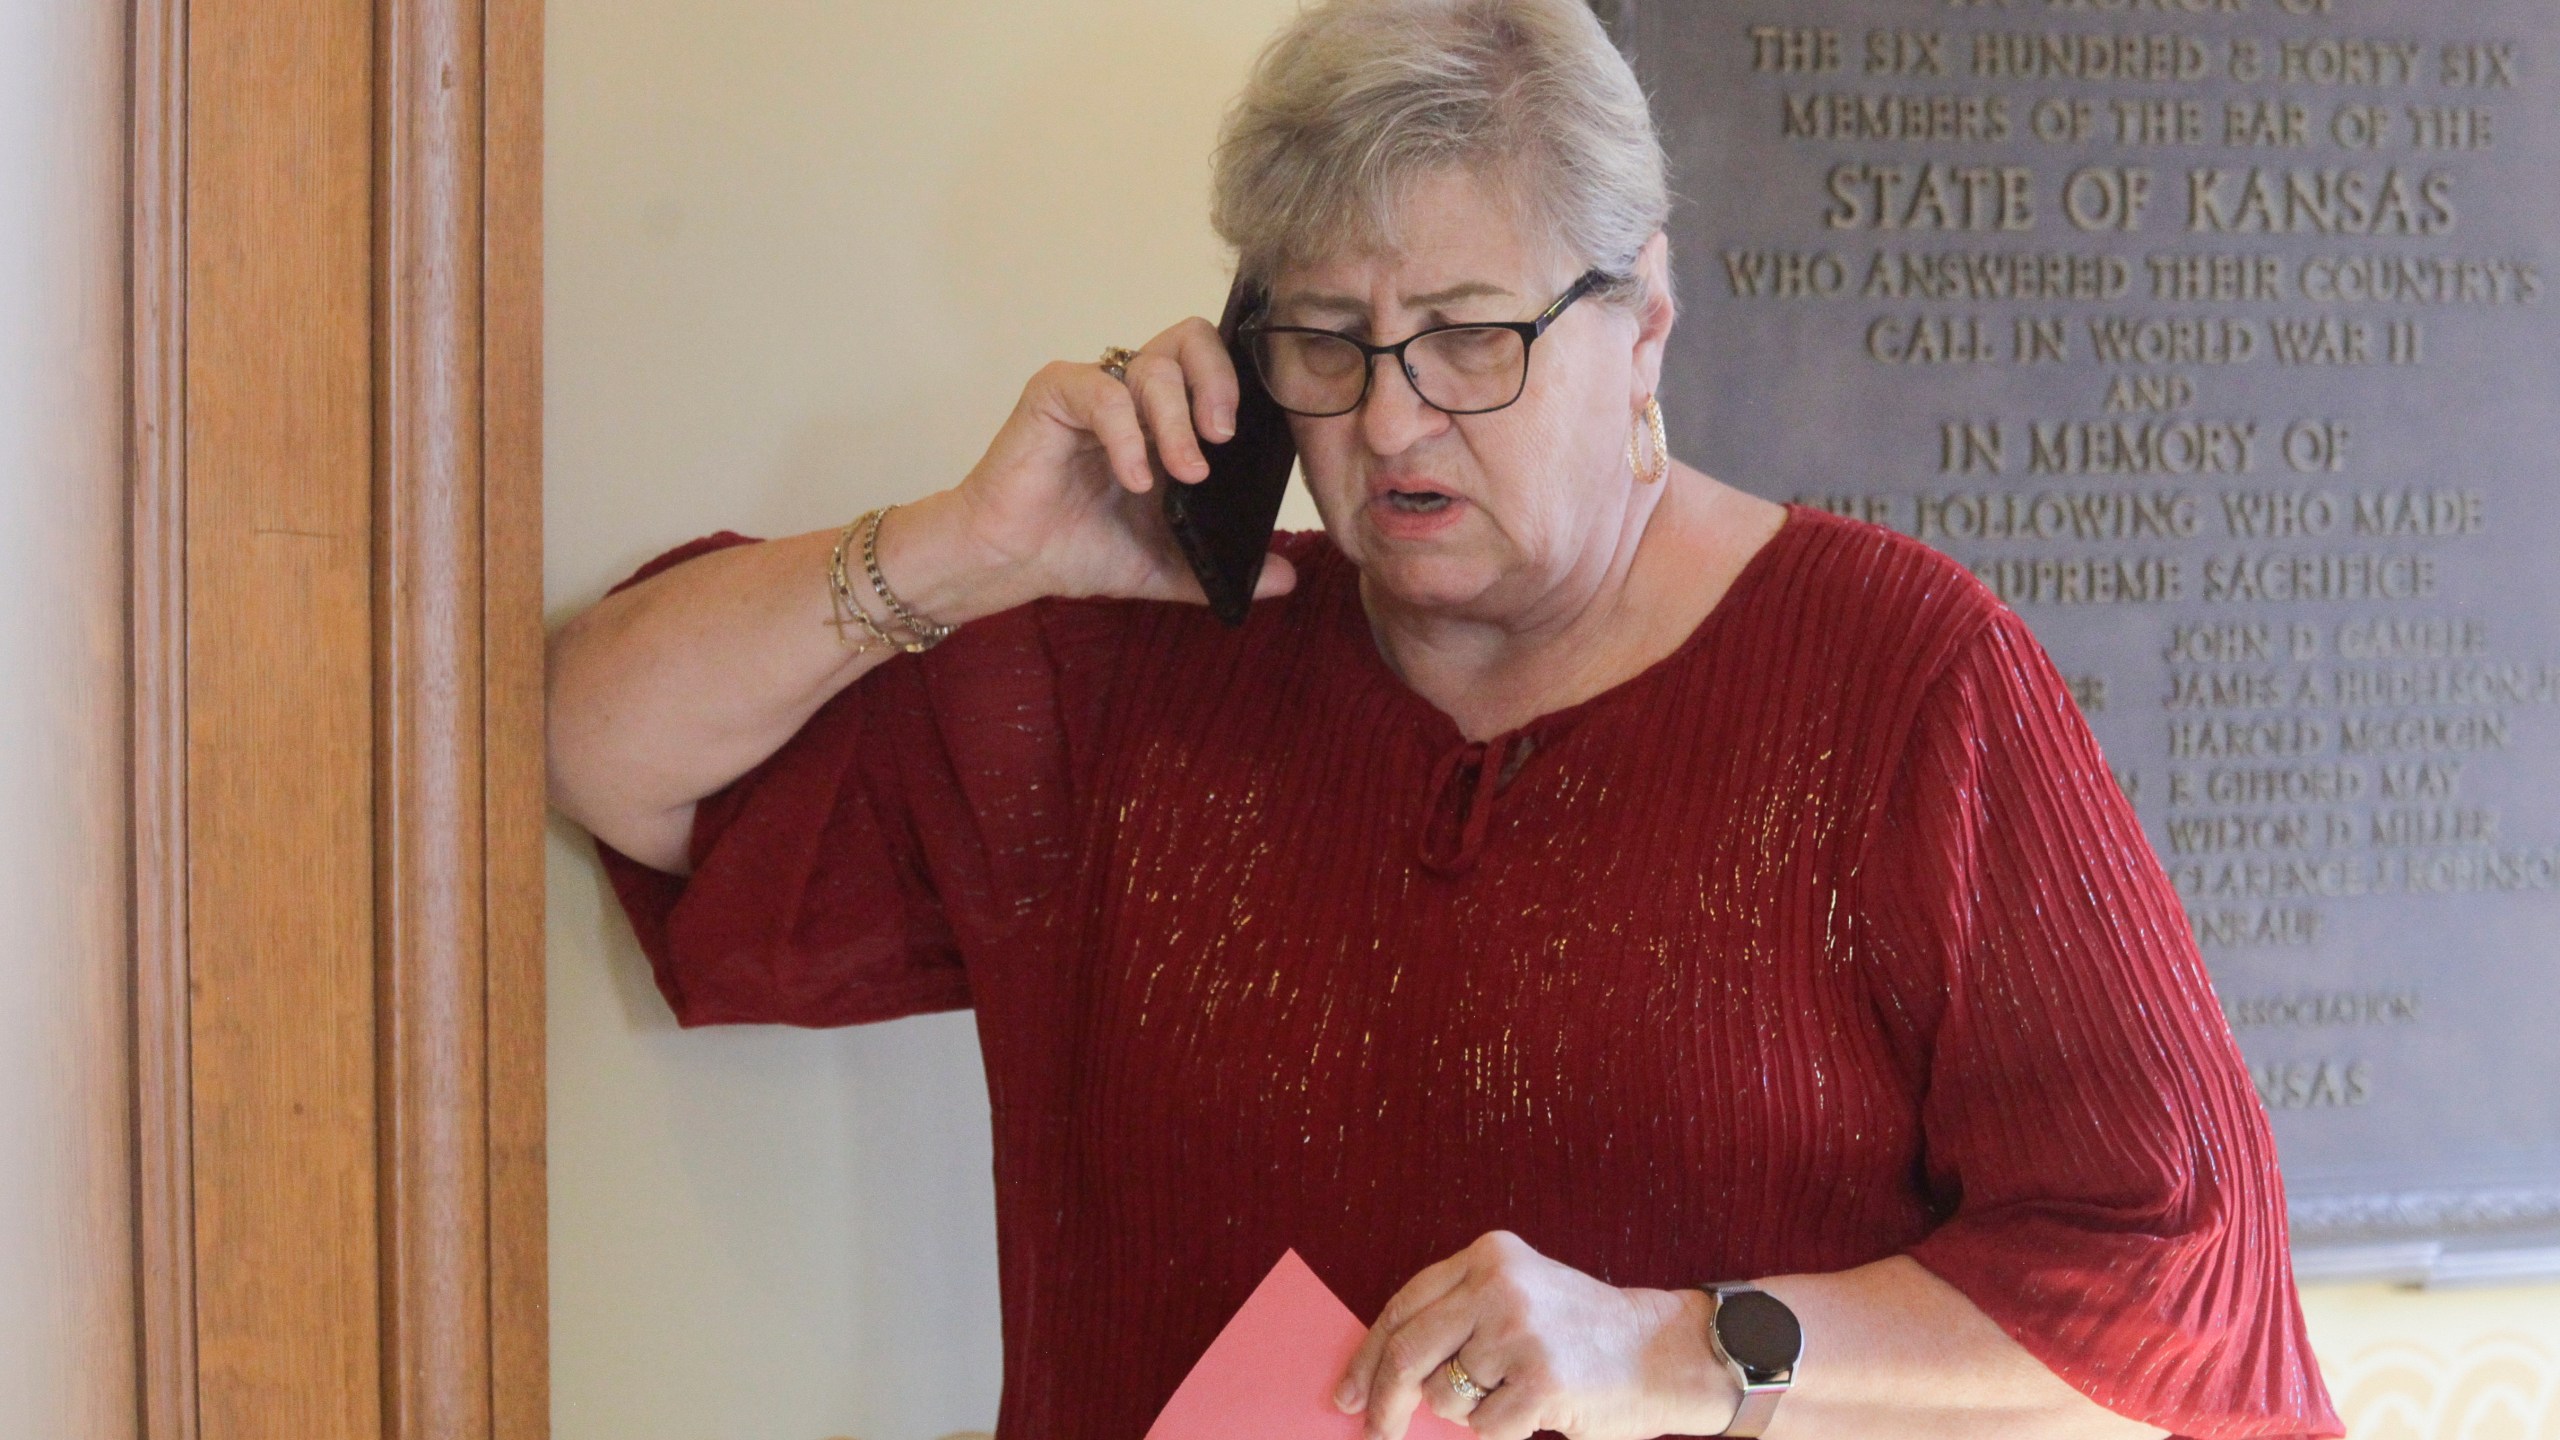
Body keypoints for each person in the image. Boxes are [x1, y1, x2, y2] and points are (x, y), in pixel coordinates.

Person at [546, 2, 2343, 1439]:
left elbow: (2174, 1311)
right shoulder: (1141, 662)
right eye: (1326, 340)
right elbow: (603, 747)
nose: (1393, 424)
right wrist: (967, 547)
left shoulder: (1905, 683)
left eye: (1472, 337)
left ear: (1642, 314)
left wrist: (1678, 1355)